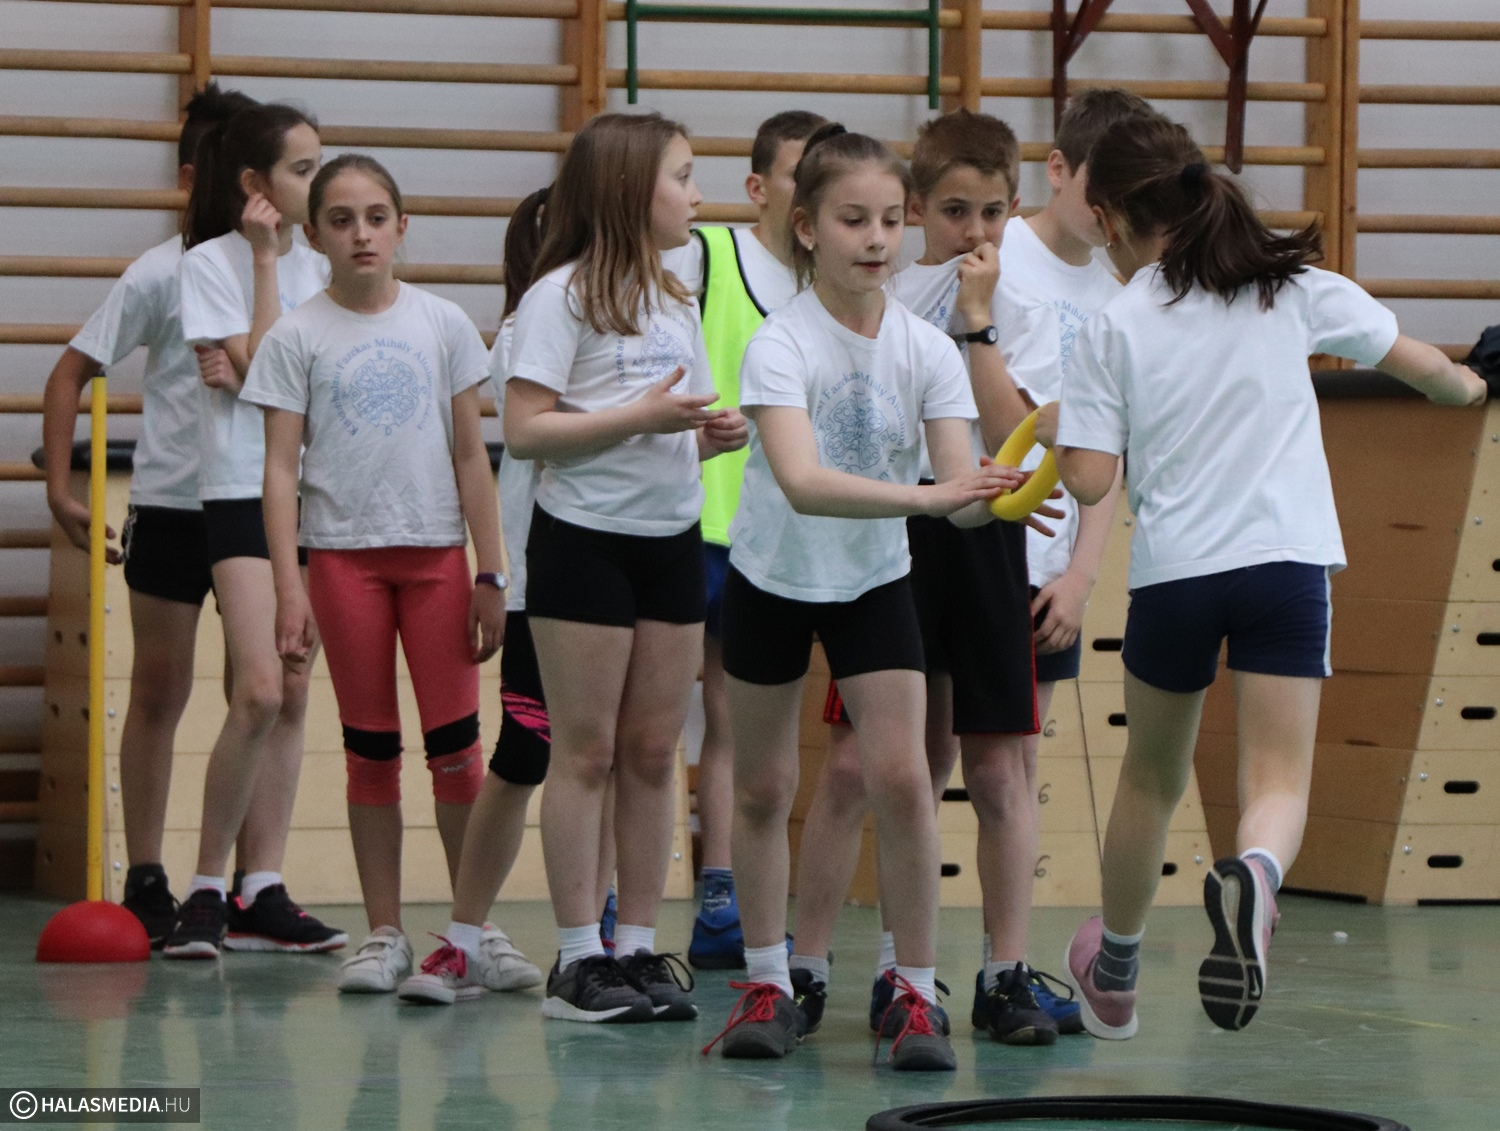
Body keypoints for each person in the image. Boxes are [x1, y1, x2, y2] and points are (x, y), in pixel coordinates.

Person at [1039, 114, 1487, 1040]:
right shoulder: (1292, 285)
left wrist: (1060, 427)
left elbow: (1087, 480)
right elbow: (1430, 375)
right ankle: (1256, 876)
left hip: (1176, 576)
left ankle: (1114, 969)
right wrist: (1475, 385)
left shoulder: (1116, 323)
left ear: (1111, 218)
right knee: (1278, 777)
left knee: (1151, 778)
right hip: (1285, 564)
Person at [702, 125, 1024, 1071]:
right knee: (764, 786)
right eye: (853, 220)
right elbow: (803, 482)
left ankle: (915, 993)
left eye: (890, 218)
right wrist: (933, 498)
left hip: (874, 581)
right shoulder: (780, 345)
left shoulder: (928, 348)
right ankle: (770, 981)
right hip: (773, 578)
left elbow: (958, 487)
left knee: (905, 780)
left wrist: (1001, 498)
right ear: (806, 227)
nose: (877, 238)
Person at [790, 109, 1069, 1046]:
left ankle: (1003, 973)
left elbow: (1012, 434)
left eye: (991, 212)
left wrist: (979, 322)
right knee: (869, 764)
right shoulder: (884, 294)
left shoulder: (1022, 307)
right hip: (898, 532)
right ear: (914, 209)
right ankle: (829, 967)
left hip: (986, 536)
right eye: (953, 211)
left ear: (1014, 209)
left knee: (996, 767)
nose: (973, 231)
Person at [503, 112, 748, 1024]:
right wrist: (641, 418)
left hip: (671, 540)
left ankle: (639, 948)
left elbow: (670, 422)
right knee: (588, 750)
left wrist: (713, 435)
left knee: (653, 750)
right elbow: (526, 429)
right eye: (682, 176)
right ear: (627, 188)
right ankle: (578, 958)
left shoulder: (675, 296)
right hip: (585, 543)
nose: (697, 195)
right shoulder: (559, 296)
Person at [244, 154, 507, 993]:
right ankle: (385, 932)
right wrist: (289, 587)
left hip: (437, 558)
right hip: (342, 562)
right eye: (342, 219)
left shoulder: (443, 324)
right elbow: (279, 470)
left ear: (402, 226)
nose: (361, 233)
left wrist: (493, 572)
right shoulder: (295, 336)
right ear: (314, 235)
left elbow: (472, 455)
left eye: (376, 216)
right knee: (370, 753)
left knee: (458, 752)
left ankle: (470, 931)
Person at [40, 84, 257, 946]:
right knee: (160, 689)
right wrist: (62, 490)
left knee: (261, 692)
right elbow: (69, 371)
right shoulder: (160, 272)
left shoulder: (282, 272)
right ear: (193, 178)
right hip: (171, 506)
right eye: (232, 175)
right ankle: (148, 874)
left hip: (257, 509)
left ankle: (252, 882)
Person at [164, 101, 344, 959]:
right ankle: (206, 885)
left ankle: (261, 887)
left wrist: (253, 371)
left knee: (297, 688)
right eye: (303, 169)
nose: (319, 180)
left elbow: (297, 381)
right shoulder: (211, 264)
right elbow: (276, 377)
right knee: (261, 688)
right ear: (254, 184)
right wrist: (267, 262)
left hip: (321, 494)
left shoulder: (332, 264)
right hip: (241, 489)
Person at [662, 108, 828, 971]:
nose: (813, 191)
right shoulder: (705, 257)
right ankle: (615, 909)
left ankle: (721, 897)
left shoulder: (836, 282)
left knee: (734, 723)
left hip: (775, 531)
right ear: (760, 187)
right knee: (649, 725)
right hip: (690, 520)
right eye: (800, 174)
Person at [394, 186, 557, 1005]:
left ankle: (609, 938)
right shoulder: (528, 330)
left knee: (624, 756)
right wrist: (492, 573)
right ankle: (465, 935)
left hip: (640, 567)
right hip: (545, 577)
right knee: (526, 752)